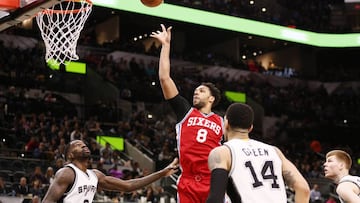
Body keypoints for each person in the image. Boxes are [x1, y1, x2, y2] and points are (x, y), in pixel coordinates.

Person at [151, 24, 224, 203]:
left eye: (201, 91)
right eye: (195, 91)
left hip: (213, 181)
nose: (196, 92)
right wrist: (166, 46)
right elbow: (164, 78)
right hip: (188, 181)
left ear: (212, 98)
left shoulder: (222, 122)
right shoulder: (185, 111)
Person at [206, 103, 310, 203]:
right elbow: (303, 188)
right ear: (250, 128)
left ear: (226, 124)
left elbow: (215, 199)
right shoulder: (274, 151)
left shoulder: (222, 153)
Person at [41, 140, 178, 203]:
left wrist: (161, 173)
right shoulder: (67, 173)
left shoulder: (95, 175)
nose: (83, 145)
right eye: (77, 145)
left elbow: (128, 186)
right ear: (70, 155)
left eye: (84, 144)